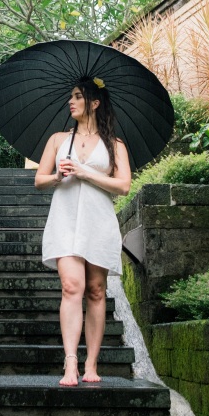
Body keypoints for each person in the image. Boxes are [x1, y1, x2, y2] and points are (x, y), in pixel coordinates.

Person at [34, 78, 132, 386]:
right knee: (71, 286)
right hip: (64, 219)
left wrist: (85, 172)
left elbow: (124, 185)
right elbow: (39, 179)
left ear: (94, 102)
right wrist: (58, 177)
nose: (71, 102)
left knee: (96, 291)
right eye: (71, 97)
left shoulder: (115, 145)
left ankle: (91, 363)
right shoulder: (58, 139)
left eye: (78, 97)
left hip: (98, 221)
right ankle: (71, 363)